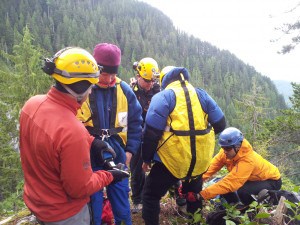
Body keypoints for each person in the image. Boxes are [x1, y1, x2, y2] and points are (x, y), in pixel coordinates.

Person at [19, 47, 128, 225]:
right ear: (80, 87)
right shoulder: (71, 130)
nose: (91, 91)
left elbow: (55, 138)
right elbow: (79, 188)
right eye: (90, 86)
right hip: (65, 214)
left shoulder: (32, 105)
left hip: (38, 202)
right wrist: (109, 176)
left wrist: (92, 142)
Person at [141, 66, 226, 225]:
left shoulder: (163, 96)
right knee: (193, 195)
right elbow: (221, 125)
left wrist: (146, 159)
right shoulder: (201, 94)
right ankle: (195, 222)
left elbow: (150, 135)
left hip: (171, 162)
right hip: (198, 162)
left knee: (150, 195)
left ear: (164, 80)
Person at [77, 43, 143, 225]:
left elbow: (136, 122)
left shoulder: (124, 90)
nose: (108, 79)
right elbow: (71, 123)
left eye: (112, 74)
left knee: (122, 202)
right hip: (89, 154)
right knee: (94, 204)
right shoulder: (83, 89)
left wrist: (130, 152)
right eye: (104, 74)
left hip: (118, 153)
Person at [199, 127, 282, 205]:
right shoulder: (225, 152)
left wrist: (202, 195)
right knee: (223, 185)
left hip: (272, 180)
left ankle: (251, 211)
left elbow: (231, 183)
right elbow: (209, 169)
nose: (224, 151)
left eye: (227, 148)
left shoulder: (248, 160)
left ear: (237, 146)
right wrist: (194, 181)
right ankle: (234, 207)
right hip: (251, 178)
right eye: (223, 147)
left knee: (242, 191)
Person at [129, 57, 160, 213]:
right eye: (147, 81)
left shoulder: (158, 90)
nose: (150, 85)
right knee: (137, 169)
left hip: (156, 134)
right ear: (138, 76)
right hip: (138, 134)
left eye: (152, 81)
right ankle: (137, 200)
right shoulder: (132, 92)